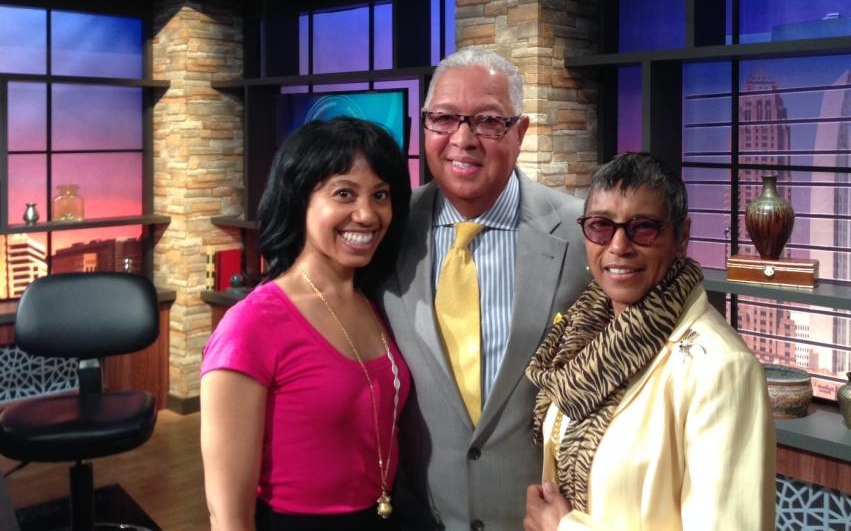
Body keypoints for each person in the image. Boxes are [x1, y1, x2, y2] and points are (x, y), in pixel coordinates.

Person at [380, 48, 591, 530]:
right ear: (424, 125)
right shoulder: (387, 232)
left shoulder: (583, 235)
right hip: (421, 516)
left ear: (520, 132)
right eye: (444, 118)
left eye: (488, 121)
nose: (462, 138)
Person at [524, 152, 776, 531]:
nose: (619, 245)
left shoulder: (722, 369)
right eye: (600, 226)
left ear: (681, 237)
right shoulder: (583, 334)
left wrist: (564, 527)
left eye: (643, 228)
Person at [200, 117, 413, 531]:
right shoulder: (252, 325)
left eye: (381, 195)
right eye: (344, 193)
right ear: (300, 200)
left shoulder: (375, 301)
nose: (367, 215)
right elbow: (228, 517)